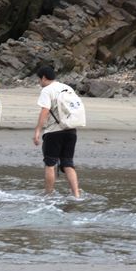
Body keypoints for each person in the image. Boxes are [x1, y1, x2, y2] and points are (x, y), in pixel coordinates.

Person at [33, 65, 80, 197]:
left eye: (39, 79)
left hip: (54, 131)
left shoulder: (47, 90)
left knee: (50, 164)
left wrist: (37, 131)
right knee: (68, 163)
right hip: (71, 130)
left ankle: (49, 194)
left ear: (43, 78)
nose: (39, 82)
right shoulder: (68, 88)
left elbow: (45, 110)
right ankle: (76, 194)